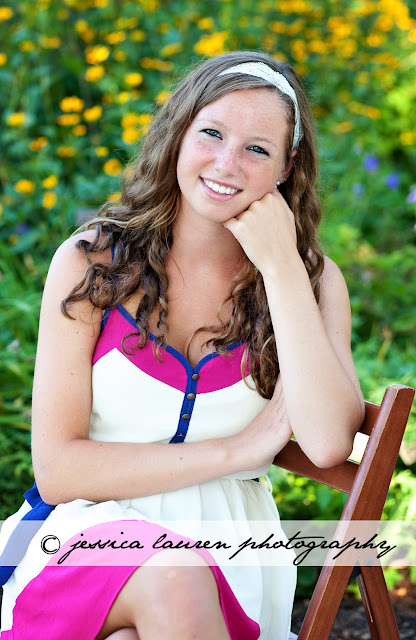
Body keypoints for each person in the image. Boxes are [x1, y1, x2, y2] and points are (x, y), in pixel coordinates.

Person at [0, 50, 365, 639]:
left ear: (287, 166)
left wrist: (280, 266)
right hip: (84, 537)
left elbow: (326, 443)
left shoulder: (312, 283)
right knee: (174, 573)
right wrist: (238, 451)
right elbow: (60, 470)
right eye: (211, 134)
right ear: (179, 134)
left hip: (232, 555)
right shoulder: (93, 264)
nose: (226, 163)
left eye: (257, 149)